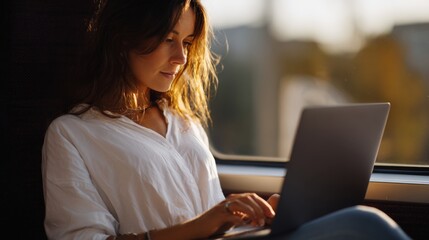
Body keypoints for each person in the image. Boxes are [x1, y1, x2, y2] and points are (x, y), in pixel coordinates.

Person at [41, 0, 411, 239]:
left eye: (186, 43)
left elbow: (213, 217)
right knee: (366, 225)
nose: (181, 59)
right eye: (169, 39)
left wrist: (255, 218)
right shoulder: (73, 135)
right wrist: (202, 225)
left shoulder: (183, 122)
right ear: (124, 39)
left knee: (358, 223)